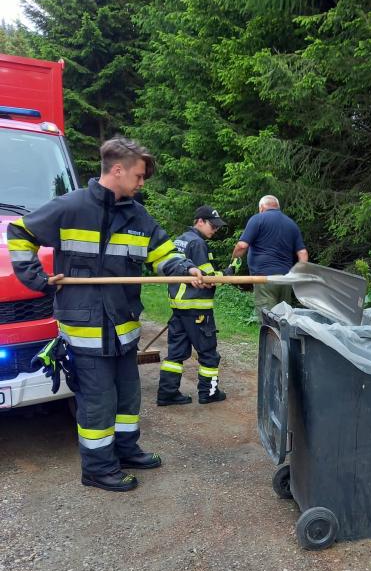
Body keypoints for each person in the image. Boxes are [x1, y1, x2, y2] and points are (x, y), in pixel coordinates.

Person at [7, 137, 204, 492]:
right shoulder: (71, 207)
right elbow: (19, 232)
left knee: (127, 397)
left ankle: (126, 450)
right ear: (117, 170)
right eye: (139, 176)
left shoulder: (137, 215)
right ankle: (98, 468)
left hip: (123, 326)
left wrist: (186, 268)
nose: (142, 183)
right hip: (85, 330)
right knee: (98, 402)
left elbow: (163, 253)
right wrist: (36, 279)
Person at [157, 205, 231, 406]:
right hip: (197, 308)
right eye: (212, 225)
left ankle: (167, 393)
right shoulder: (198, 243)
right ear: (199, 221)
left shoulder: (181, 240)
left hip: (179, 307)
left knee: (175, 353)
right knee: (208, 353)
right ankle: (209, 393)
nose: (215, 230)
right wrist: (228, 273)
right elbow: (207, 279)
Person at [230, 195, 308, 322]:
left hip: (264, 278)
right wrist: (299, 276)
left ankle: (270, 335)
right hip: (285, 279)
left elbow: (241, 246)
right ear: (277, 207)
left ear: (261, 207)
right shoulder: (291, 224)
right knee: (284, 320)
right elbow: (303, 254)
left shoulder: (258, 219)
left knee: (268, 321)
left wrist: (233, 263)